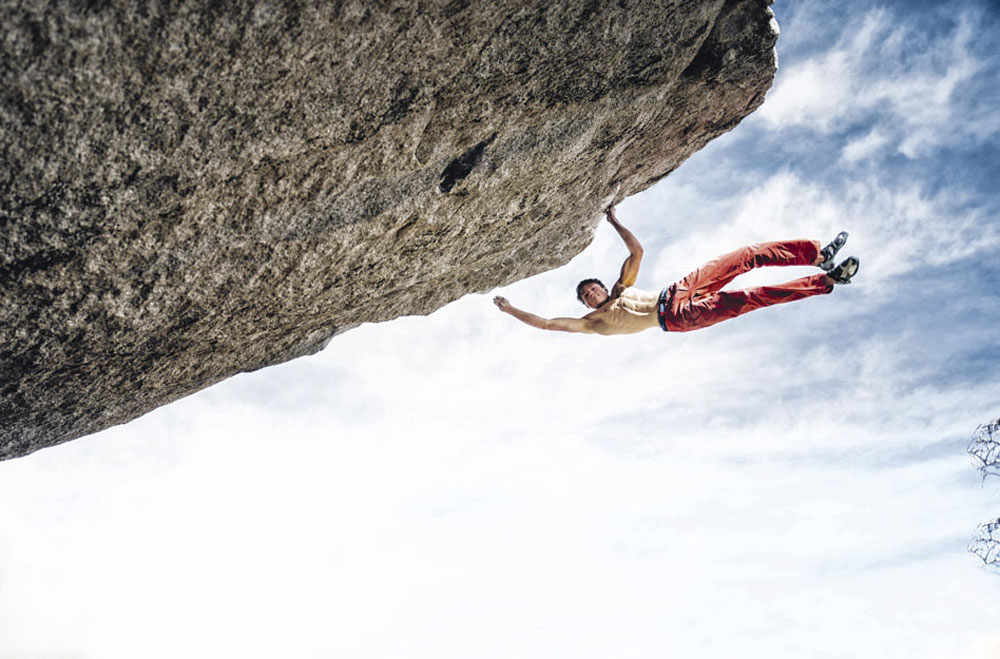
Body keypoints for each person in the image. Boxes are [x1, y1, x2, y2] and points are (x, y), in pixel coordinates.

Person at [493, 207, 859, 335]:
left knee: (745, 255)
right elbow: (545, 324)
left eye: (593, 289)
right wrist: (510, 309)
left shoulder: (623, 287)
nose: (591, 295)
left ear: (603, 288)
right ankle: (825, 281)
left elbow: (636, 251)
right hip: (677, 317)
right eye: (586, 296)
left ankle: (815, 255)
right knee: (751, 298)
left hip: (679, 289)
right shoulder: (593, 323)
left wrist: (615, 221)